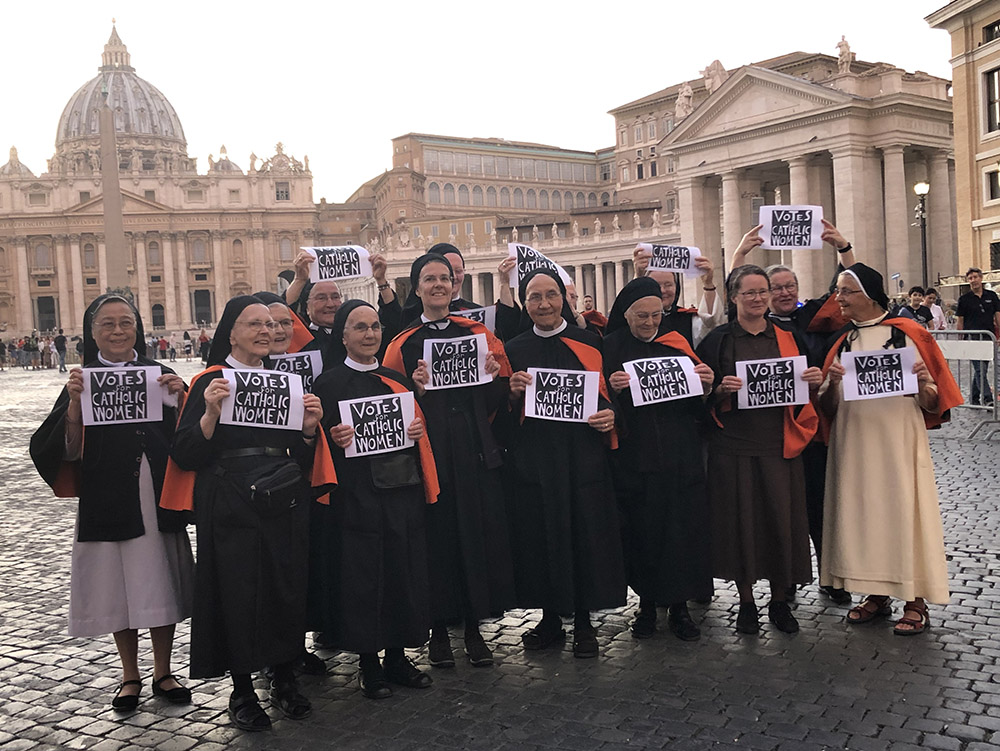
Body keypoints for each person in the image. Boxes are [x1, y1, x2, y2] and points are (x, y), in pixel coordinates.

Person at [166, 295, 334, 732]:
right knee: (236, 593)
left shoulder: (287, 384)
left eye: (271, 324)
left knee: (285, 586)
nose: (266, 331)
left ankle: (283, 675)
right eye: (254, 324)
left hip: (283, 498)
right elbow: (184, 453)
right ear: (232, 332)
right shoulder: (211, 380)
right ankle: (241, 689)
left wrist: (309, 430)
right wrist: (209, 415)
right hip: (229, 501)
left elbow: (299, 452)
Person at [29, 293, 194, 712]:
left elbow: (192, 437)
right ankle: (129, 674)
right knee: (118, 586)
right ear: (93, 331)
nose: (118, 331)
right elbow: (61, 450)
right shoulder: (82, 380)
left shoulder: (161, 374)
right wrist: (73, 404)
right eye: (107, 324)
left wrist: (182, 397)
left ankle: (163, 669)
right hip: (108, 494)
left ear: (137, 328)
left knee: (161, 581)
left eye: (125, 322)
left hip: (155, 491)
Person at [383, 253, 516, 669]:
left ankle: (474, 627)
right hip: (432, 454)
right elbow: (390, 409)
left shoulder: (480, 334)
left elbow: (498, 403)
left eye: (444, 278)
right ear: (417, 287)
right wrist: (415, 391)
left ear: (454, 285)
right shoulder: (401, 345)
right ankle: (438, 630)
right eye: (429, 279)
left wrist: (495, 376)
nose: (439, 285)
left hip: (475, 450)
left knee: (475, 537)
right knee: (435, 541)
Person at [818, 263, 962, 635]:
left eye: (846, 291)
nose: (839, 299)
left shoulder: (909, 334)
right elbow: (828, 410)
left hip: (898, 442)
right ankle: (876, 594)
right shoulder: (843, 340)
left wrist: (918, 385)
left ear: (868, 294)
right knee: (863, 515)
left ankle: (915, 601)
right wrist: (831, 385)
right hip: (853, 444)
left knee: (904, 514)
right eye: (838, 291)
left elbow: (934, 401)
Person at [311, 300, 439, 699]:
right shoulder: (326, 384)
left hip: (400, 492)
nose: (369, 334)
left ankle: (399, 656)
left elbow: (417, 432)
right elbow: (313, 446)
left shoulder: (396, 380)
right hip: (355, 497)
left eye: (375, 326)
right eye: (360, 327)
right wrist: (331, 440)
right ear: (344, 336)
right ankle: (368, 662)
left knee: (402, 571)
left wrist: (419, 428)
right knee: (363, 579)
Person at [502, 269, 627, 657]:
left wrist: (610, 417)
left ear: (564, 299)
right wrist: (509, 394)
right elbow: (502, 416)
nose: (544, 304)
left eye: (551, 295)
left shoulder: (590, 342)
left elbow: (605, 396)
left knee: (584, 535)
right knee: (541, 538)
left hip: (581, 457)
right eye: (535, 297)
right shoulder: (513, 348)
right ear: (526, 303)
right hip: (535, 460)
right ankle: (551, 618)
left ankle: (585, 622)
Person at [696, 265, 824, 635]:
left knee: (782, 525)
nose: (757, 299)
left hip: (780, 443)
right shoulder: (717, 340)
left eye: (762, 292)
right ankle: (747, 602)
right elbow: (699, 395)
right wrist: (718, 390)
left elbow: (805, 386)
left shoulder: (788, 336)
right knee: (741, 526)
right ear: (734, 298)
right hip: (732, 445)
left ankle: (781, 600)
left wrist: (813, 380)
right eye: (748, 293)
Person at [603, 278, 715, 640]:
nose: (650, 323)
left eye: (656, 315)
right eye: (641, 316)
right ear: (626, 315)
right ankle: (647, 604)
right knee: (643, 533)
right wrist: (613, 390)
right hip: (636, 460)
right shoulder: (610, 347)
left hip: (680, 455)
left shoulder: (678, 345)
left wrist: (707, 385)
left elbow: (700, 409)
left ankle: (680, 608)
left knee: (682, 532)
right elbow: (600, 405)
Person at [632, 246, 724, 346]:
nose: (663, 290)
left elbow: (711, 323)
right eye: (656, 285)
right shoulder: (634, 320)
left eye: (668, 285)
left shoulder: (688, 320)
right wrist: (638, 278)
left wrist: (708, 284)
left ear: (677, 287)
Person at [955, 267, 1000, 406]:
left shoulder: (991, 296)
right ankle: (987, 399)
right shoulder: (964, 299)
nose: (973, 280)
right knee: (980, 369)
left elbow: (997, 316)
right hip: (972, 338)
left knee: (982, 369)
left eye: (975, 277)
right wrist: (960, 338)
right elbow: (960, 320)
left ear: (981, 278)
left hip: (988, 337)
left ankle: (974, 397)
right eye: (970, 278)